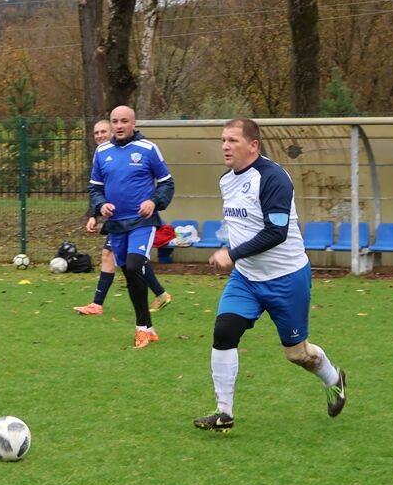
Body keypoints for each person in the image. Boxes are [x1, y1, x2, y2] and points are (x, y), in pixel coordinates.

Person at [194, 118, 346, 432]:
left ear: (253, 145)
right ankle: (224, 413)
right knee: (224, 331)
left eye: (233, 140)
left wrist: (232, 254)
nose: (225, 146)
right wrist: (230, 247)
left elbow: (276, 232)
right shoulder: (226, 180)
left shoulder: (273, 178)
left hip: (286, 278)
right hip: (246, 278)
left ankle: (333, 378)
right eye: (223, 140)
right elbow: (241, 223)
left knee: (297, 354)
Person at [87, 106, 175, 348]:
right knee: (130, 274)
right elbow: (94, 188)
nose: (119, 125)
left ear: (133, 123)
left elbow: (167, 183)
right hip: (116, 224)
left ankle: (140, 329)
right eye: (115, 121)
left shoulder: (148, 149)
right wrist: (101, 205)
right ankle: (148, 328)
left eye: (124, 121)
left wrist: (153, 201)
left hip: (142, 222)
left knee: (136, 264)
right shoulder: (102, 152)